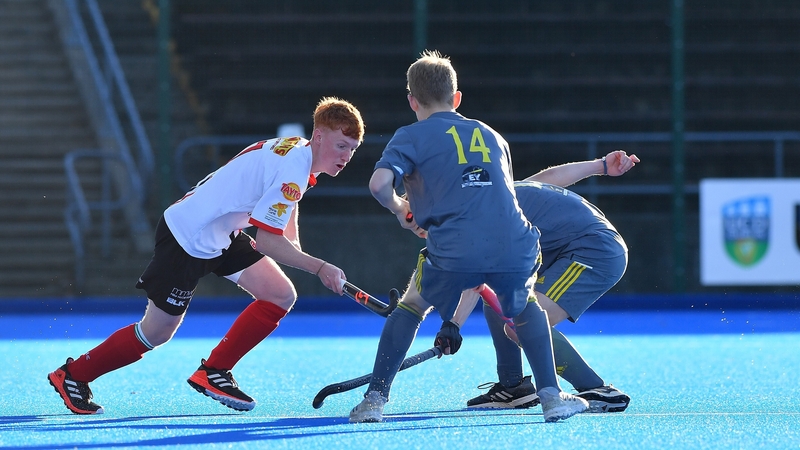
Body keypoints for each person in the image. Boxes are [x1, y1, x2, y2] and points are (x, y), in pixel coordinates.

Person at [47, 97, 365, 415]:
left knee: (279, 294)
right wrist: (320, 267)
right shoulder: (295, 166)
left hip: (223, 232)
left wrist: (294, 245)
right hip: (188, 235)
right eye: (341, 146)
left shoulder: (300, 152)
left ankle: (214, 371)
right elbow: (267, 241)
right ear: (320, 136)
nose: (346, 156)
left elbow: (282, 204)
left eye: (352, 149)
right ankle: (73, 375)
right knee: (156, 332)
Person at [348, 50, 589, 424]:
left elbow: (379, 185)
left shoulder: (409, 136)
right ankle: (552, 398)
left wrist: (401, 209)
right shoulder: (493, 135)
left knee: (412, 305)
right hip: (516, 244)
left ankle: (374, 401)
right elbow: (493, 195)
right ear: (456, 98)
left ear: (412, 100)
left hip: (455, 249)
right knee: (526, 307)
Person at [450, 151, 638, 413]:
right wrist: (601, 166)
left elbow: (476, 277)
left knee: (521, 323)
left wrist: (453, 325)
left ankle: (596, 389)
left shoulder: (488, 214)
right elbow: (549, 178)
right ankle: (513, 387)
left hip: (593, 251)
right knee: (497, 299)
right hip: (572, 247)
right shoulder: (497, 194)